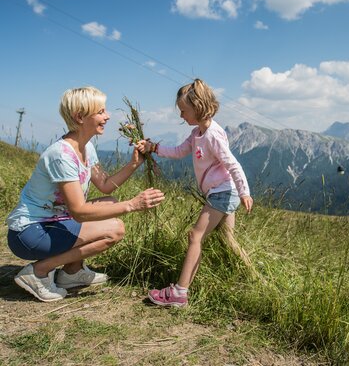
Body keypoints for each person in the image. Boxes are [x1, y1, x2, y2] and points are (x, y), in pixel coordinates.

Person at [6, 86, 165, 302]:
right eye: (100, 112)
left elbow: (106, 186)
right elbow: (79, 212)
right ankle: (39, 271)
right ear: (80, 117)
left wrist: (133, 164)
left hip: (52, 221)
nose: (107, 116)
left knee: (109, 202)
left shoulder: (86, 147)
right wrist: (133, 204)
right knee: (115, 229)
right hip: (30, 232)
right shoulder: (62, 155)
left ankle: (72, 272)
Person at [137, 78, 253, 307]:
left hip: (223, 193)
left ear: (198, 107)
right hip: (220, 192)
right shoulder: (198, 133)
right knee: (228, 240)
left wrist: (244, 192)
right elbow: (180, 151)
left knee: (195, 236)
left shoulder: (213, 135)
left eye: (183, 111)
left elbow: (232, 164)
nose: (181, 116)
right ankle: (251, 276)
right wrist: (155, 148)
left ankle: (180, 292)